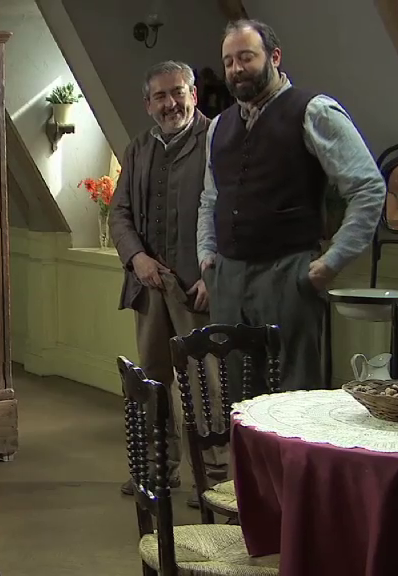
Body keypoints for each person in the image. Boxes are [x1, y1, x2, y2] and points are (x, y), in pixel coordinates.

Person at [197, 19, 386, 395]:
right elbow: (209, 198)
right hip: (228, 279)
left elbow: (368, 188)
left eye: (246, 57)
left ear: (275, 57)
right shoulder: (218, 127)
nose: (236, 69)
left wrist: (330, 263)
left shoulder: (314, 111)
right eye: (229, 61)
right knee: (236, 397)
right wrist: (206, 255)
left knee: (292, 397)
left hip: (288, 275)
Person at [110, 60, 226, 505]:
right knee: (151, 381)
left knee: (205, 384)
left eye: (178, 92)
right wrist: (136, 258)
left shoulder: (217, 139)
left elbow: (230, 211)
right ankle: (159, 469)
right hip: (149, 286)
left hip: (198, 288)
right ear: (148, 104)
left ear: (193, 95)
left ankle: (214, 478)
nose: (170, 103)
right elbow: (120, 213)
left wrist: (214, 274)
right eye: (160, 95)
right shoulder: (138, 149)